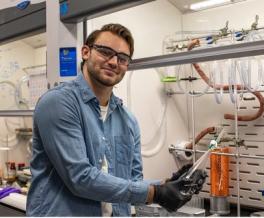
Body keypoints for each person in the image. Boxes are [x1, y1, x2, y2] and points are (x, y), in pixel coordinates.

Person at [26, 23, 206, 216]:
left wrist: (166, 185)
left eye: (122, 58)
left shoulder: (128, 121)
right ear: (86, 52)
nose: (113, 62)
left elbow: (132, 182)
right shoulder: (59, 103)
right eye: (105, 52)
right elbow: (80, 178)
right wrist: (156, 193)